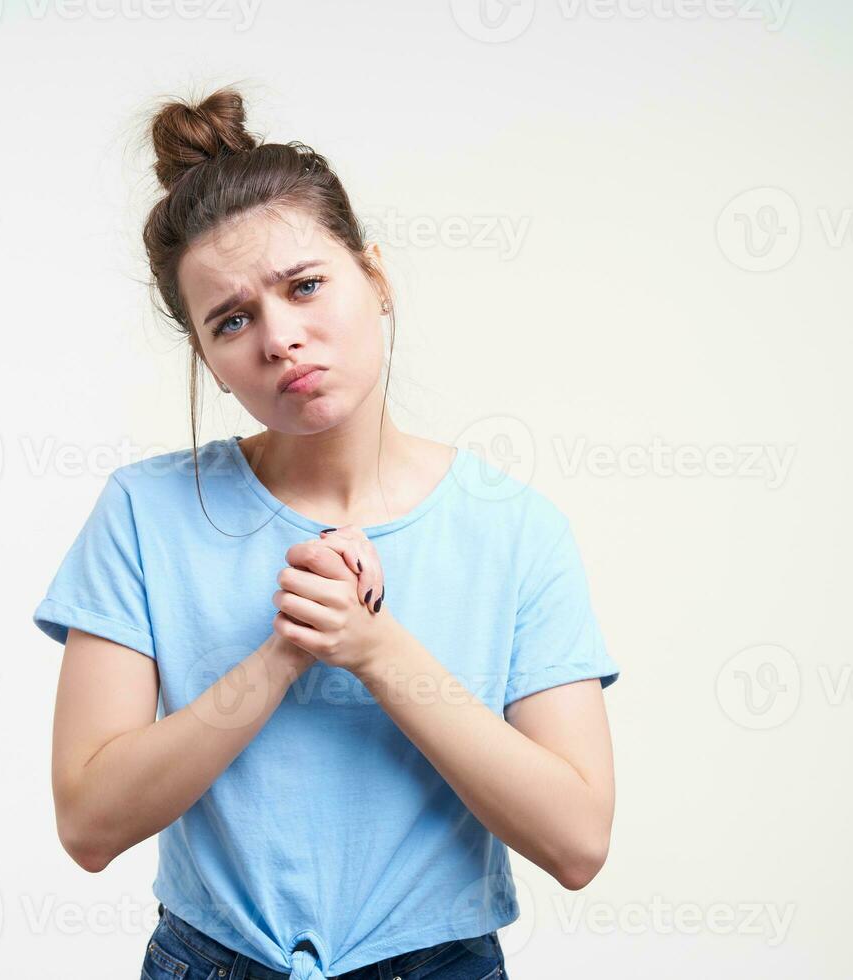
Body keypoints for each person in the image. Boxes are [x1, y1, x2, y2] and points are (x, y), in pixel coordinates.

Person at [32, 85, 621, 980]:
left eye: (306, 286)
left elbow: (578, 841)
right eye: (231, 321)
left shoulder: (515, 531)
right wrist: (282, 657)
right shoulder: (144, 514)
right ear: (208, 360)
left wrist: (378, 649)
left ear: (375, 278)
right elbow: (88, 822)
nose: (280, 339)